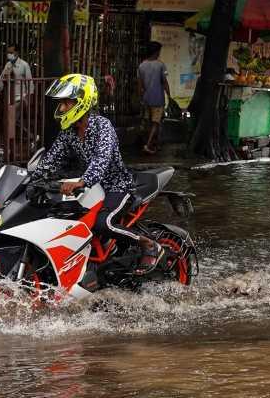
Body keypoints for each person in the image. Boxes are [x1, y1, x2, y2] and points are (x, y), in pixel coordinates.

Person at [29, 74, 165, 275]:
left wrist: (83, 181)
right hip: (92, 188)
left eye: (68, 102)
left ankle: (149, 245)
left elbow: (101, 160)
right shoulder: (69, 132)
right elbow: (51, 159)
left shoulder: (103, 126)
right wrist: (32, 180)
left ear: (83, 101)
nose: (63, 108)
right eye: (62, 103)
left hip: (117, 186)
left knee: (103, 223)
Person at [138, 41, 171, 155]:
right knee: (156, 123)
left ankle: (152, 143)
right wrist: (169, 95)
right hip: (158, 99)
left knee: (148, 121)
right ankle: (147, 145)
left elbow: (140, 85)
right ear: (156, 52)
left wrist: (142, 98)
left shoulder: (141, 66)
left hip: (146, 98)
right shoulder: (161, 65)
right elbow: (165, 82)